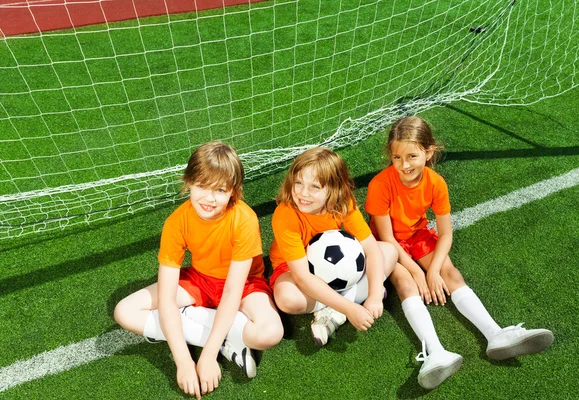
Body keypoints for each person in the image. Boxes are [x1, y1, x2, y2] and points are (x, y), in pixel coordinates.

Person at [366, 116, 554, 386]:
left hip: (418, 235)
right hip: (388, 245)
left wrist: (432, 270)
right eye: (397, 157)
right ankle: (435, 353)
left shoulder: (436, 183)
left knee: (450, 273)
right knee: (407, 283)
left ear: (429, 152)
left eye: (412, 156)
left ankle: (495, 334)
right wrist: (417, 273)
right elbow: (386, 238)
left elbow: (445, 234)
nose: (404, 165)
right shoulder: (380, 185)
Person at [114, 141, 283, 400]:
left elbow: (231, 292)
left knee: (271, 333)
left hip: (245, 285)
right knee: (124, 311)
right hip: (199, 280)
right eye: (201, 186)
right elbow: (168, 297)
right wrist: (183, 361)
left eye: (220, 190)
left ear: (234, 192)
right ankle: (231, 340)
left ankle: (204, 332)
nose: (209, 198)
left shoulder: (244, 220)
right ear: (188, 182)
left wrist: (207, 356)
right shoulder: (176, 222)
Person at [269, 147, 397, 348]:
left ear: (334, 189)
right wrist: (350, 308)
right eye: (299, 183)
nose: (303, 193)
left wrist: (374, 296)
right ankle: (351, 300)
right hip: (294, 269)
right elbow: (302, 277)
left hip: (340, 266)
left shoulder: (343, 202)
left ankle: (332, 312)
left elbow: (371, 249)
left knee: (389, 251)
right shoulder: (285, 215)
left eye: (315, 187)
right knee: (286, 299)